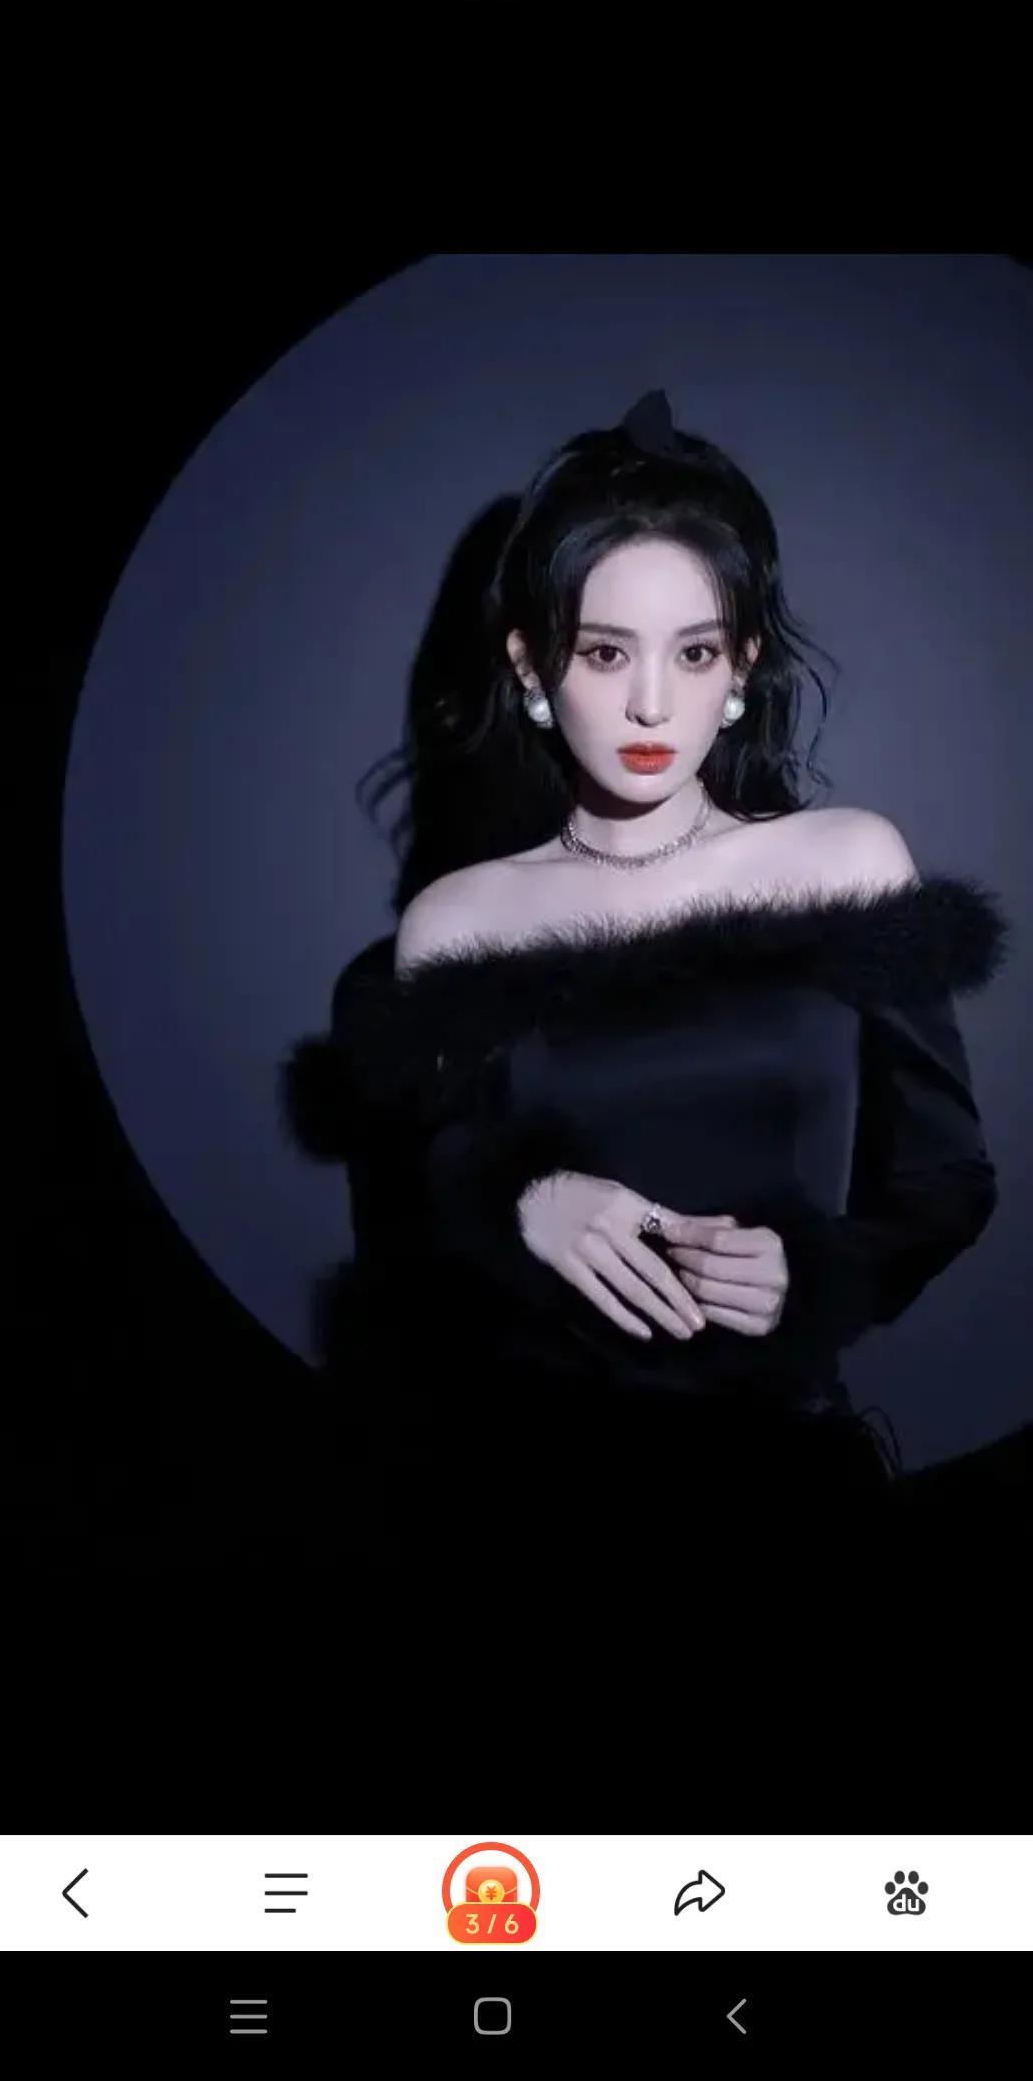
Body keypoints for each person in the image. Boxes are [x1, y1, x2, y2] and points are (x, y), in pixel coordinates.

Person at [280, 391, 1010, 1588]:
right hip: (511, 1496)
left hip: (780, 1489)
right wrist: (518, 1203)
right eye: (605, 652)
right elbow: (407, 1249)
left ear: (744, 665)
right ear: (531, 664)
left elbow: (946, 1178)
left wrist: (817, 1272)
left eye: (696, 651)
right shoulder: (458, 922)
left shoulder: (844, 862)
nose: (653, 706)